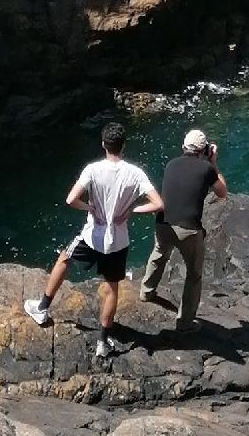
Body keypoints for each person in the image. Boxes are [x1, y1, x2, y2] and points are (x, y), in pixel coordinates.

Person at [24, 120, 162, 362]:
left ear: (103, 144)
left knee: (64, 258)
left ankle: (42, 308)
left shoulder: (92, 170)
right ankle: (102, 341)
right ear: (123, 146)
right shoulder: (136, 173)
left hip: (93, 236)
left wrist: (89, 207)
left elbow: (70, 200)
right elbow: (158, 204)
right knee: (112, 288)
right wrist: (131, 211)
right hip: (118, 241)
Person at [142, 128, 227, 334]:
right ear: (204, 150)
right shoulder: (206, 169)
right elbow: (222, 192)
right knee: (194, 274)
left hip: (163, 223)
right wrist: (213, 163)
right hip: (188, 229)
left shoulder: (171, 164)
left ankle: (146, 292)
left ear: (183, 147)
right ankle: (185, 323)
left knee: (159, 254)